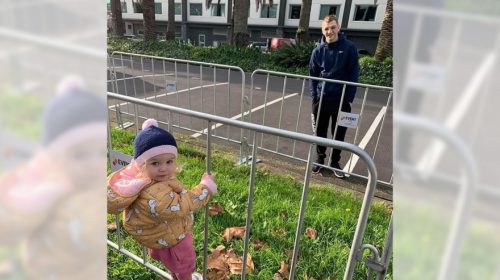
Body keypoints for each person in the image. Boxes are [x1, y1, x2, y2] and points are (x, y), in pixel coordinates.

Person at [107, 118, 217, 280]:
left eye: (169, 161)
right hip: (173, 238)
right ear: (142, 165)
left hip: (163, 236)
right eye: (155, 163)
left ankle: (176, 276)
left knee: (174, 265)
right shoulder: (153, 192)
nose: (163, 168)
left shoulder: (151, 181)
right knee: (184, 265)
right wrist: (205, 188)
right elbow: (180, 205)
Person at [309, 15, 360, 178]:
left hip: (341, 100)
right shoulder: (317, 51)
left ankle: (335, 162)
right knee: (320, 132)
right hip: (321, 100)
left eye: (332, 27)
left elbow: (354, 74)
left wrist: (349, 98)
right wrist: (314, 97)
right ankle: (320, 160)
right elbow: (313, 75)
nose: (329, 31)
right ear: (322, 31)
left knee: (339, 134)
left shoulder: (349, 48)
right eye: (326, 28)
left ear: (338, 27)